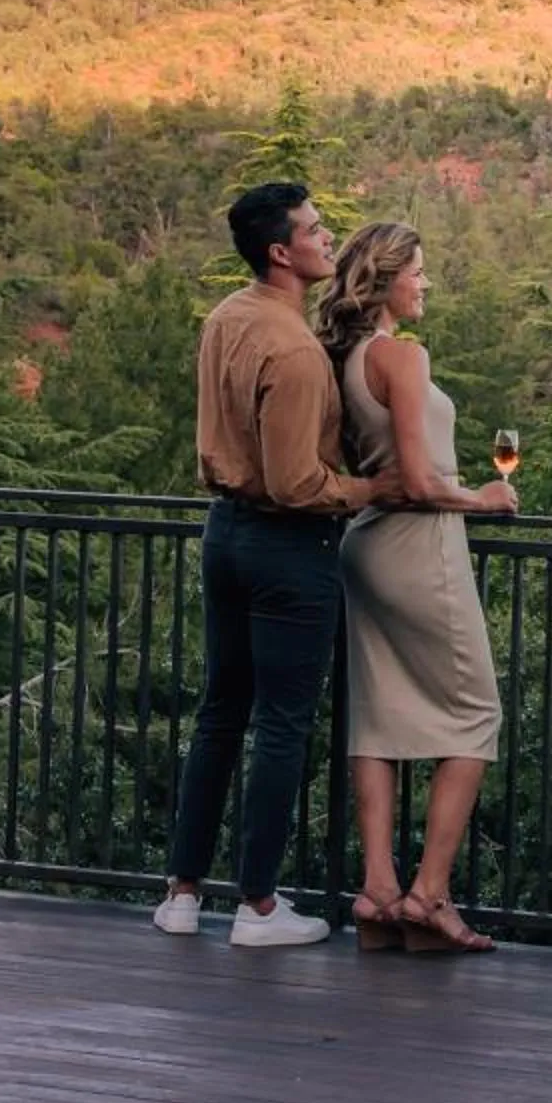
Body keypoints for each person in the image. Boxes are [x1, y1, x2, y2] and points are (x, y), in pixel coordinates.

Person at [155, 182, 390, 947]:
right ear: (282, 252)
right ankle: (258, 906)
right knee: (281, 725)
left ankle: (183, 893)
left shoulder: (228, 317)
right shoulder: (292, 351)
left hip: (222, 534)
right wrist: (374, 487)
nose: (330, 239)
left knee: (220, 713)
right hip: (288, 544)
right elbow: (297, 484)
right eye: (317, 230)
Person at [319, 221, 517, 954]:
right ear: (387, 279)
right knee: (475, 714)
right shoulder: (401, 357)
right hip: (417, 547)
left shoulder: (345, 358)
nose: (425, 284)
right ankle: (429, 895)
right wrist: (484, 499)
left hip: (363, 544)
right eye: (419, 273)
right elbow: (423, 480)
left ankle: (376, 891)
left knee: (379, 716)